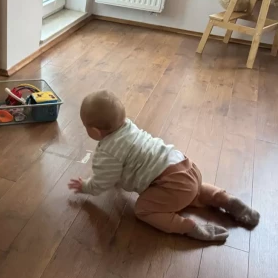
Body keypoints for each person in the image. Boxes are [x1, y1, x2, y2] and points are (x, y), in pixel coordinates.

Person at [68, 90, 260, 241]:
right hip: (184, 165)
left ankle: (188, 227)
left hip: (171, 183)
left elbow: (103, 181)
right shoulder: (128, 126)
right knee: (196, 191)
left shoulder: (108, 153)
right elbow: (125, 162)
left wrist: (85, 186)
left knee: (143, 209)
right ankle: (225, 199)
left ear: (95, 131)